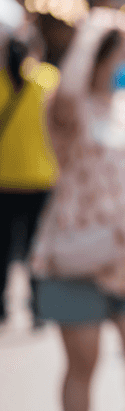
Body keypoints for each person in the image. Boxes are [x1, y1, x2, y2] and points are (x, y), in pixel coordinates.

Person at [29, 8, 125, 411]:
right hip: (77, 253)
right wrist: (91, 32)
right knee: (82, 365)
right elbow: (67, 96)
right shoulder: (70, 108)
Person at [0, 31, 59, 327]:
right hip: (42, 176)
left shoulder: (0, 83)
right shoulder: (47, 79)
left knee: (3, 246)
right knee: (37, 247)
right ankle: (39, 306)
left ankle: (2, 306)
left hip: (4, 177)